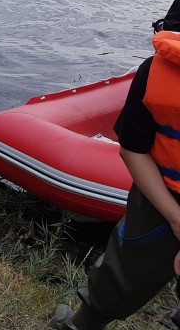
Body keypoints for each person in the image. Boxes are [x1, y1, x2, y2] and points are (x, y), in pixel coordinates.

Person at [50, 30, 180, 330]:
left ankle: (81, 324)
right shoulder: (155, 71)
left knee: (125, 267)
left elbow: (133, 150)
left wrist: (175, 219)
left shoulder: (155, 69)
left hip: (159, 197)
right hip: (163, 195)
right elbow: (133, 149)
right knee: (125, 266)